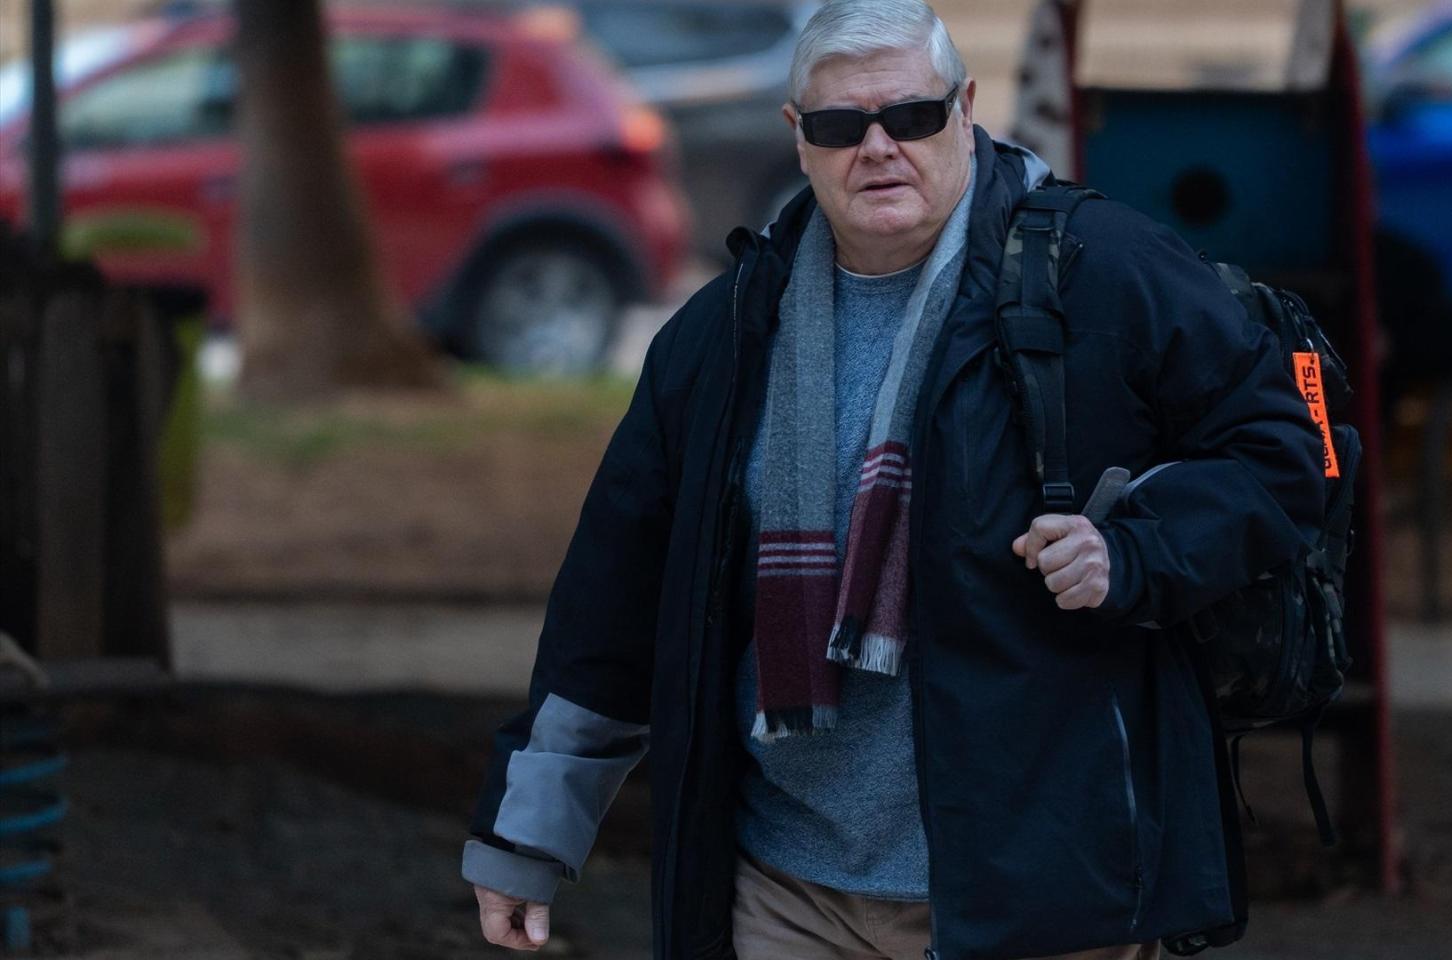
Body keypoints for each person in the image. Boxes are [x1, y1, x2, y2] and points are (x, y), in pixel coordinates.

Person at [462, 2, 1324, 957]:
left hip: (1034, 888)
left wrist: (1132, 550)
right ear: (799, 140)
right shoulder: (726, 332)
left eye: (909, 117)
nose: (878, 148)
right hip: (783, 885)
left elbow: (1286, 455)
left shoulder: (1104, 276)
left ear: (965, 109)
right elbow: (615, 596)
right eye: (840, 126)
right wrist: (528, 833)